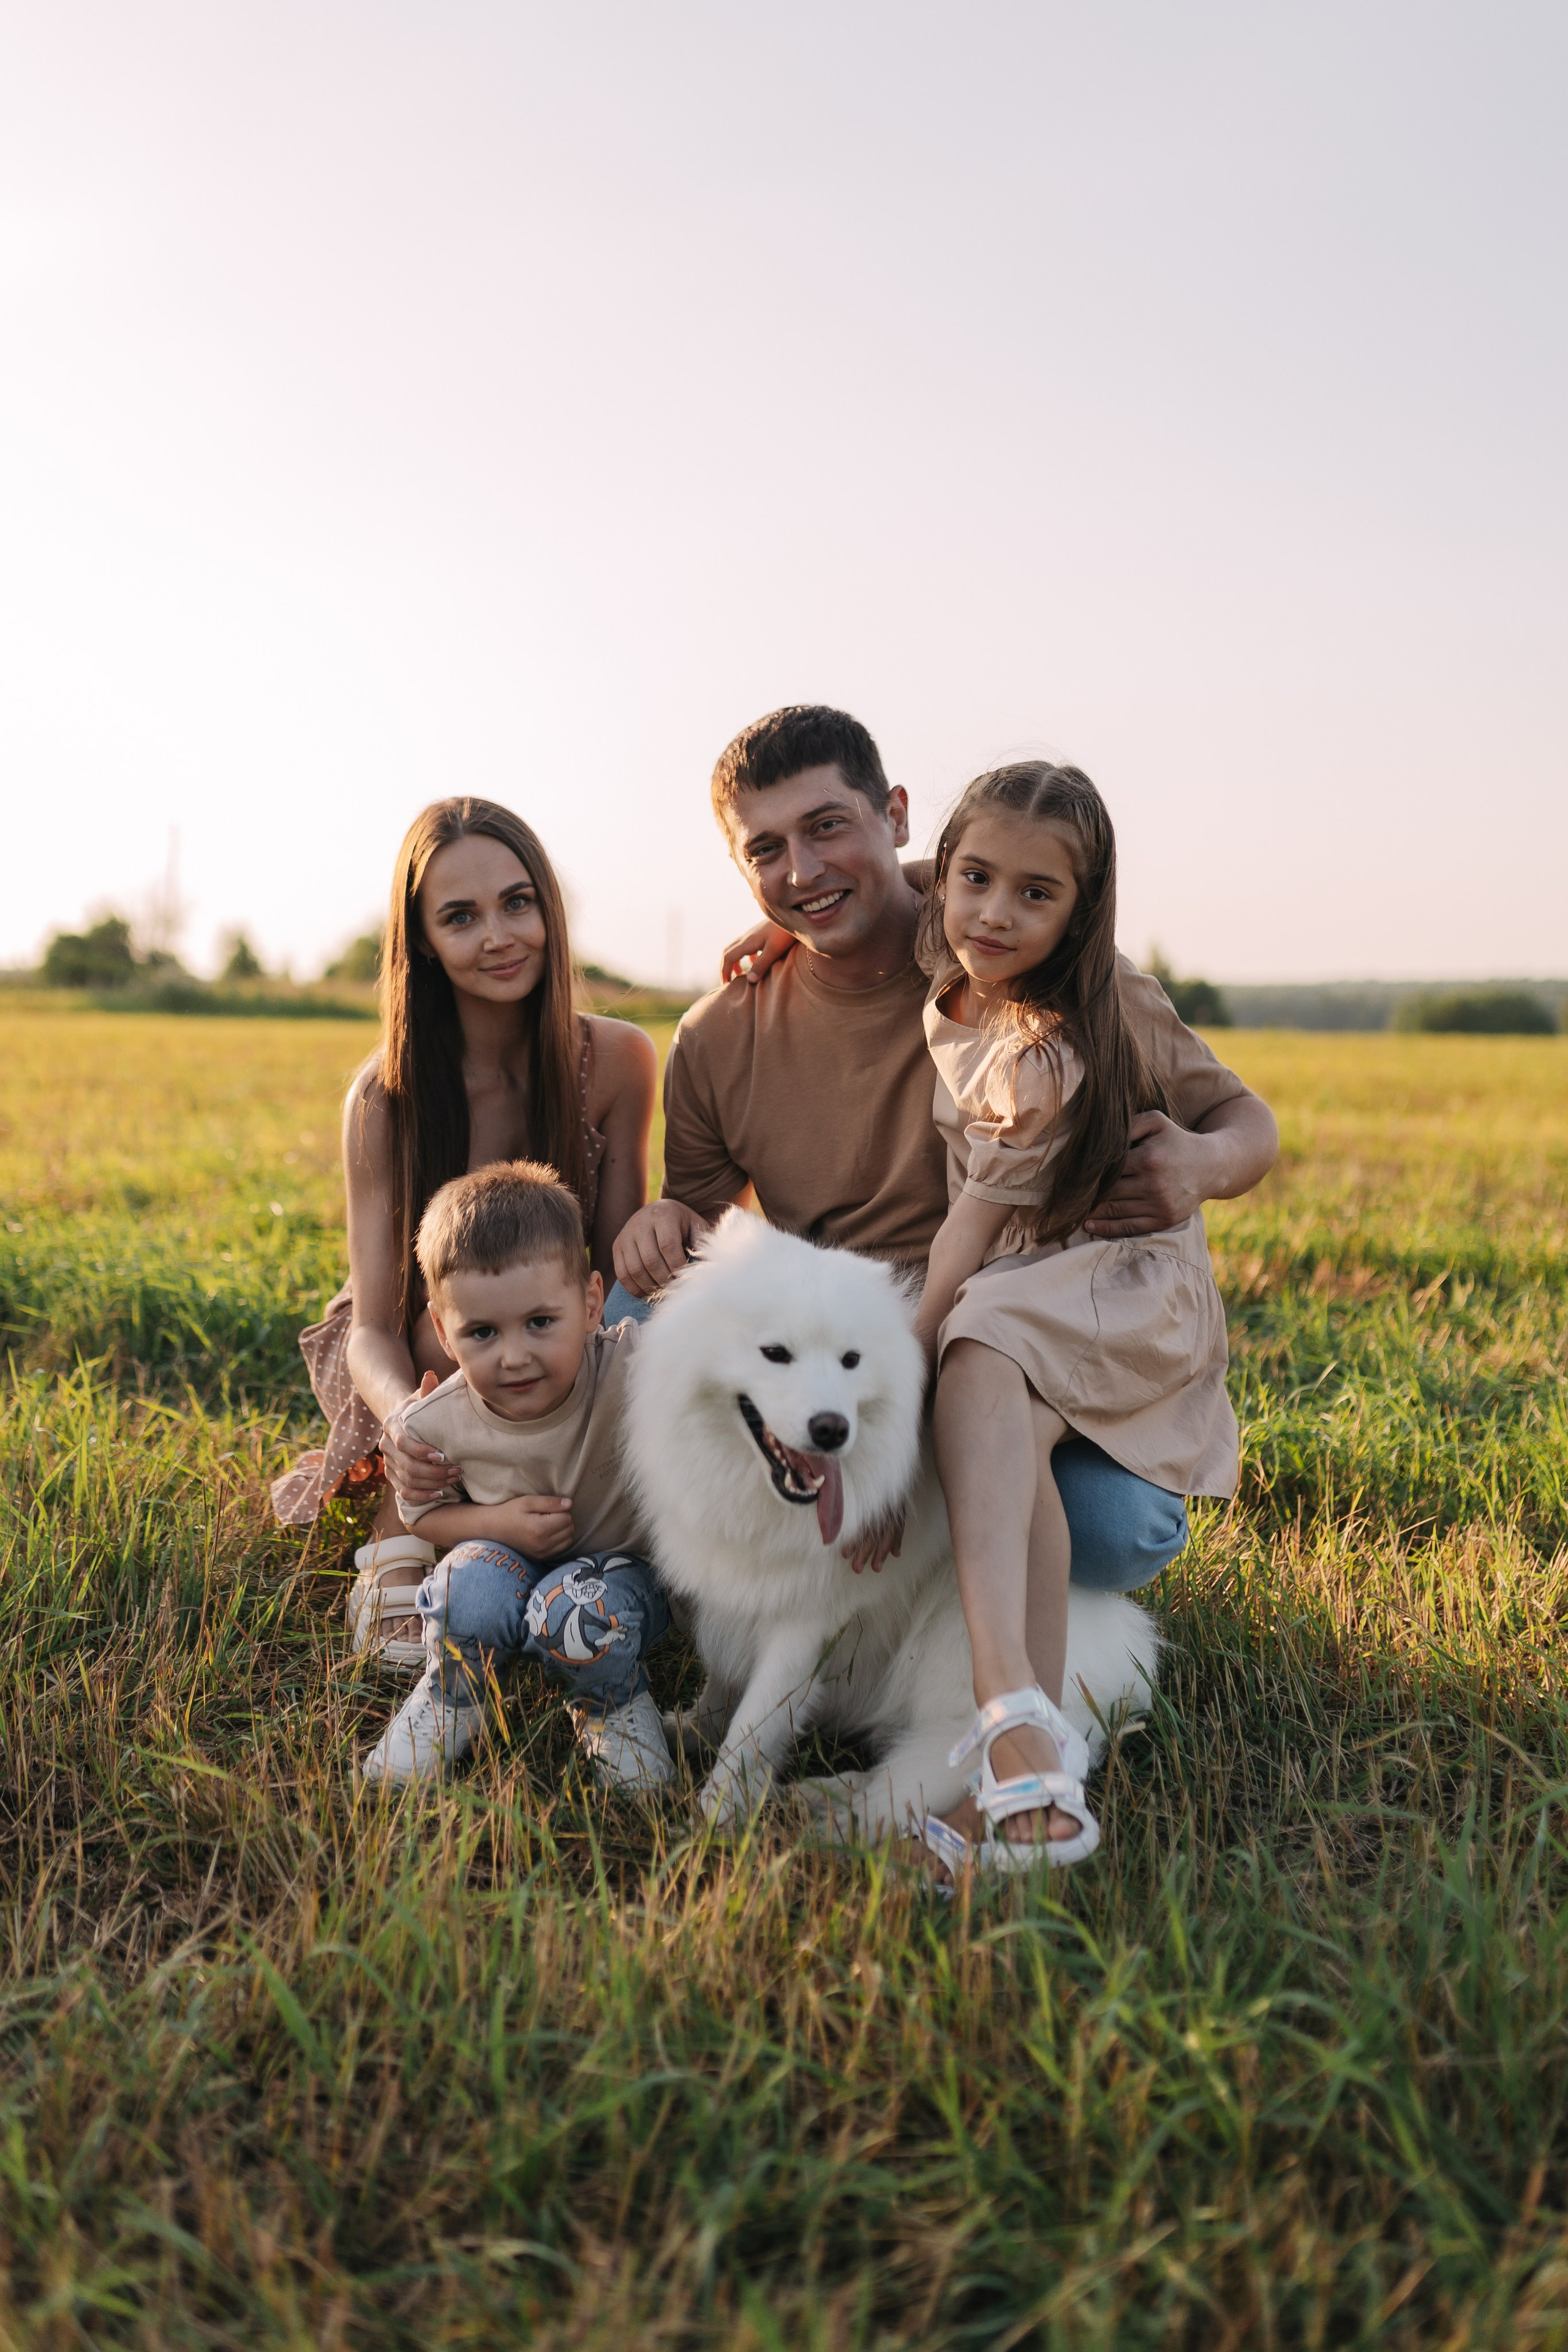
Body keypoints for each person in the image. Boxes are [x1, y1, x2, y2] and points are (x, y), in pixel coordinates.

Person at [606, 705, 1276, 1589]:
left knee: (1114, 1531)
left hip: (1000, 1346)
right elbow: (708, 1237)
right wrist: (663, 1219)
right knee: (633, 1308)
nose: (802, 871)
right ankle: (656, 1561)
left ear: (897, 815)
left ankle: (937, 1532)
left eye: (827, 828)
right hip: (841, 1358)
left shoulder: (1022, 970)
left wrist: (1201, 1167)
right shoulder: (720, 1033)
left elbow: (1247, 1123)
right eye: (765, 851)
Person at [911, 762, 1238, 1878]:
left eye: (1037, 895)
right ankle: (1032, 1789)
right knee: (1016, 1450)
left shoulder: (1082, 1024)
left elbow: (962, 1244)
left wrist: (1201, 1159)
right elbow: (892, 884)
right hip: (1031, 1279)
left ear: (1084, 908)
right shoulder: (949, 940)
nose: (995, 913)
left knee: (975, 1343)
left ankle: (1009, 1724)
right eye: (975, 878)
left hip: (1121, 1282)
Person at [270, 797, 657, 1670]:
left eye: (518, 903)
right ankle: (404, 1524)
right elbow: (370, 1321)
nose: (498, 935)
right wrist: (409, 1419)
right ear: (423, 942)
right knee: (448, 1328)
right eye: (460, 916)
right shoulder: (385, 1097)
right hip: (426, 1343)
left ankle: (590, 1533)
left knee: (570, 1323)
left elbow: (619, 1261)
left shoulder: (620, 1060)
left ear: (549, 912)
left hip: (564, 1326)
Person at [360, 1161, 672, 1789]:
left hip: (623, 1571)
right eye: (481, 1332)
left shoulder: (637, 1368)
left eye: (540, 1323)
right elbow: (425, 1515)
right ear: (444, 1334)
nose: (514, 1356)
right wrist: (497, 1524)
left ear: (590, 1304)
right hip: (510, 1561)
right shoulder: (437, 1421)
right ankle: (455, 1695)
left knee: (574, 1616)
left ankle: (610, 1702)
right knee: (461, 1588)